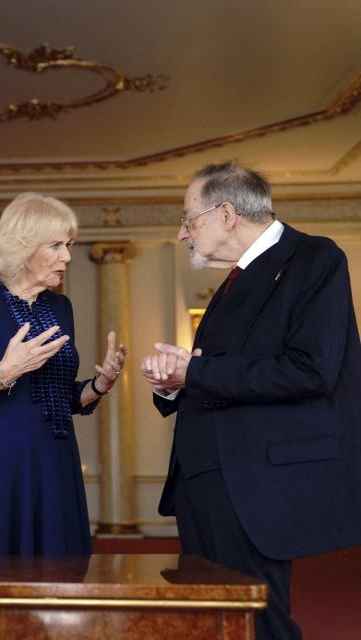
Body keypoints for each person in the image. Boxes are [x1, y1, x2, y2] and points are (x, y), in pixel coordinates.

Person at [139, 162, 361, 639]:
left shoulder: (314, 259)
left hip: (254, 484)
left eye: (188, 219)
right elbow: (222, 373)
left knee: (258, 624)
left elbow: (311, 370)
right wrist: (175, 381)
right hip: (205, 482)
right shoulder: (234, 280)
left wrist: (194, 370)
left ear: (225, 214)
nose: (182, 234)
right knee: (212, 623)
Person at [0, 192, 127, 556]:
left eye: (69, 244)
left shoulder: (60, 306)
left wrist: (100, 385)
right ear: (23, 246)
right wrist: (6, 371)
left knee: (62, 577)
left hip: (57, 463)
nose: (67, 256)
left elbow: (58, 397)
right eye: (56, 245)